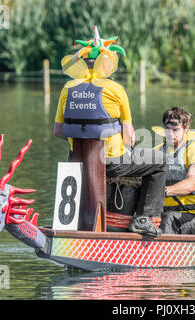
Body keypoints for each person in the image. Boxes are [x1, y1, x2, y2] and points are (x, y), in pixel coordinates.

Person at [54, 27, 167, 236]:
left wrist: (83, 139)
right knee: (160, 161)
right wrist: (128, 150)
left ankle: (71, 226)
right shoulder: (116, 89)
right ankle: (143, 218)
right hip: (111, 162)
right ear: (107, 65)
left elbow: (58, 131)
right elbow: (129, 135)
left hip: (76, 162)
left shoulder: (68, 88)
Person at [157, 107, 195, 234]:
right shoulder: (157, 151)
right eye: (167, 129)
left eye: (175, 130)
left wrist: (162, 191)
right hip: (162, 213)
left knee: (169, 218)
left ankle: (163, 253)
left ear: (186, 128)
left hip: (191, 216)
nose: (170, 134)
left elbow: (191, 184)